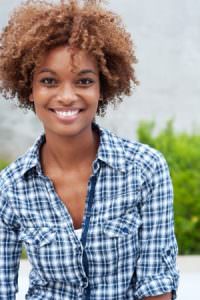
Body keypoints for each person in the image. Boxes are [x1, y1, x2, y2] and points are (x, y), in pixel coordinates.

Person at [0, 0, 179, 299]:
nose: (67, 96)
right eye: (48, 81)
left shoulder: (145, 169)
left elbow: (157, 287)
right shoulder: (10, 188)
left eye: (84, 80)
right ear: (30, 89)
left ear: (102, 88)